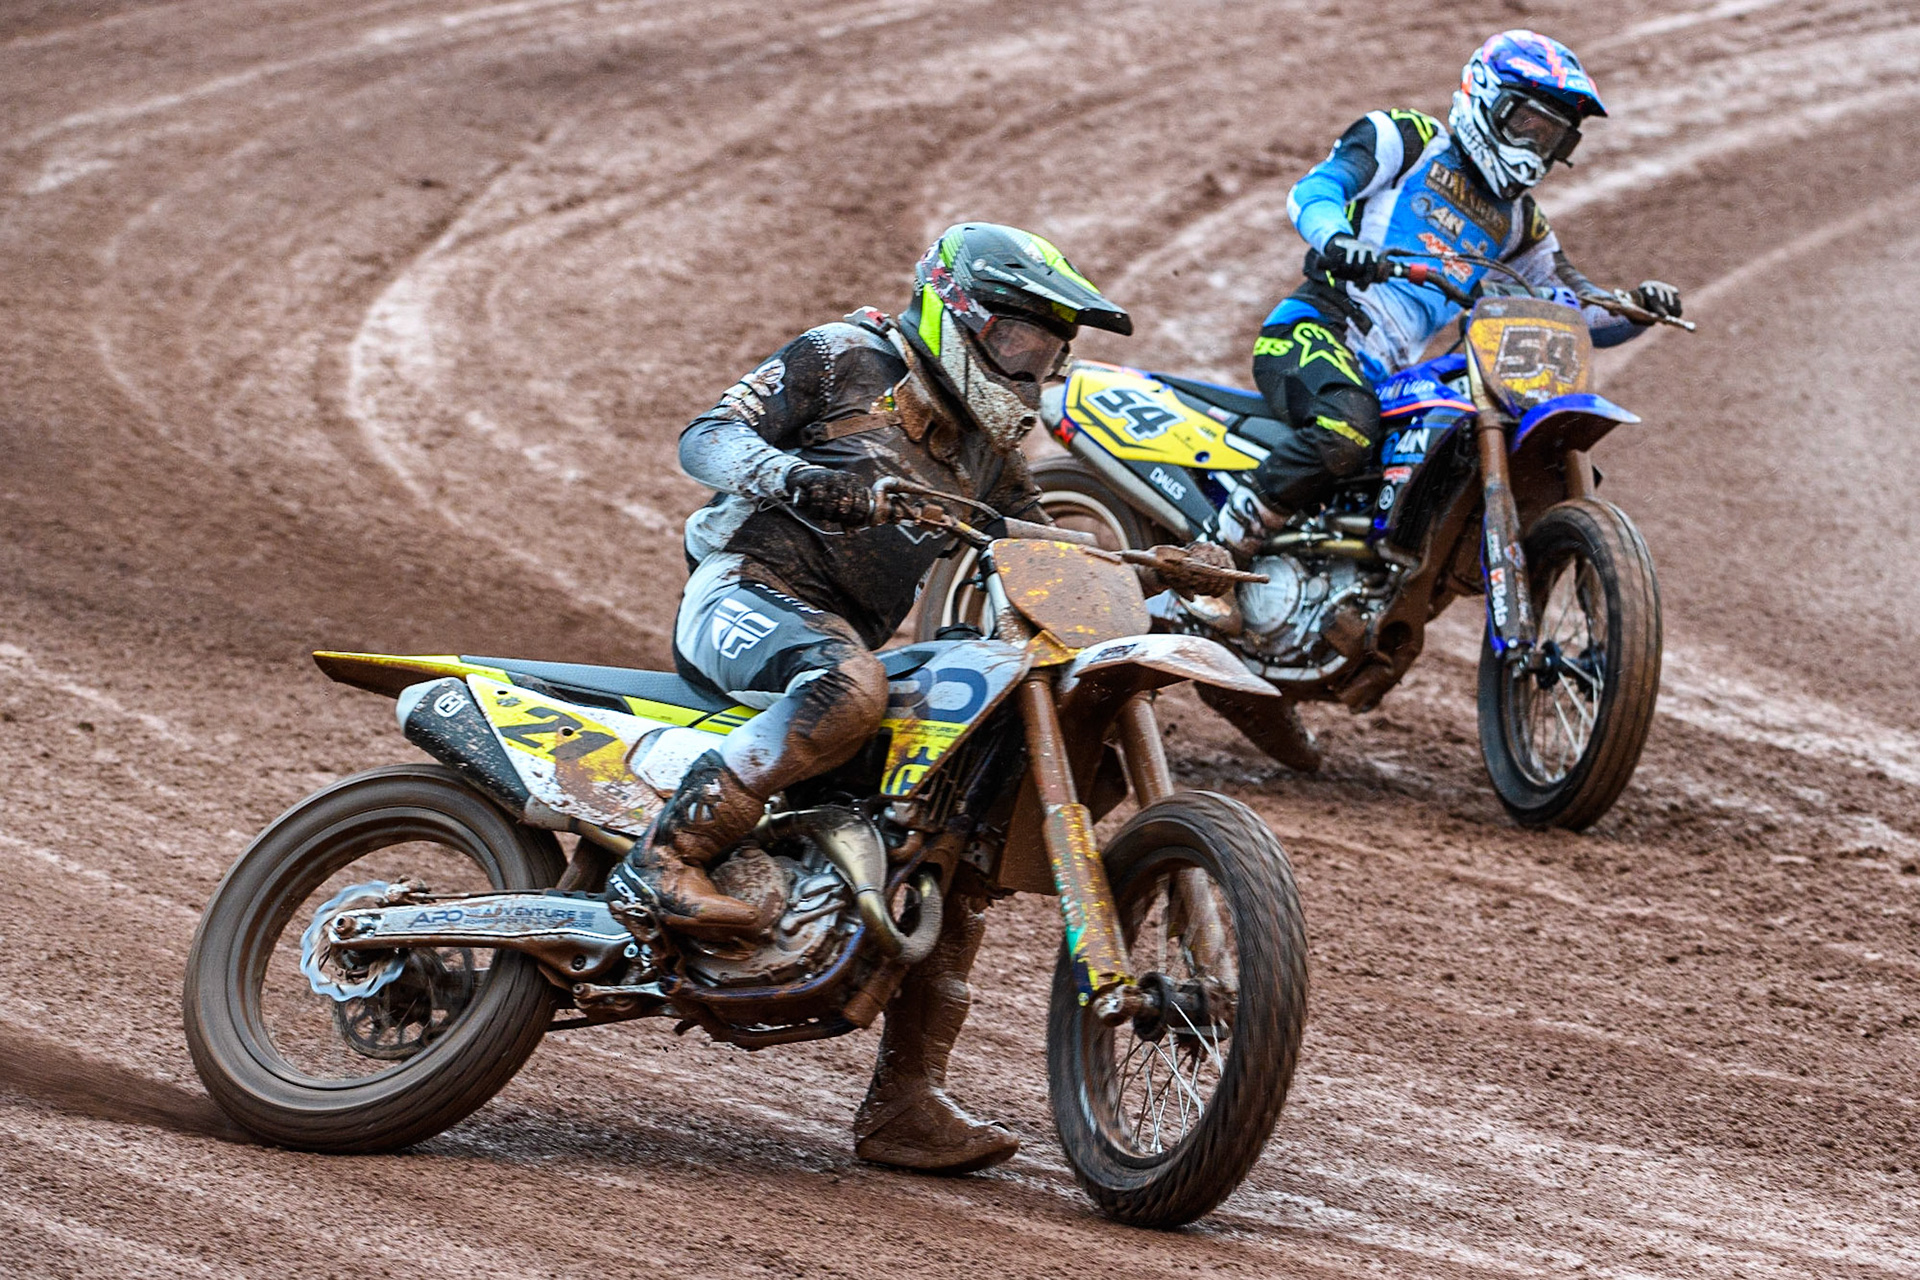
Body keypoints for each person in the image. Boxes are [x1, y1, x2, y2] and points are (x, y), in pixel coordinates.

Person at [606, 223, 1132, 1172]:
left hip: (843, 633)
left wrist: (1163, 572)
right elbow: (706, 437)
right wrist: (796, 477)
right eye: (1018, 339)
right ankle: (665, 858)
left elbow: (1043, 541)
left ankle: (904, 1103)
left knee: (963, 842)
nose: (1030, 363)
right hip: (745, 587)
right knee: (849, 689)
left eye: (1049, 349)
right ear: (960, 312)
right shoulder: (845, 357)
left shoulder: (983, 447)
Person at [1221, 29, 1684, 558]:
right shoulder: (1407, 138)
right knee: (1346, 430)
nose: (1536, 150)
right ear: (1485, 98)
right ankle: (1222, 545)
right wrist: (1341, 241)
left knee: (1436, 462)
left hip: (1393, 377)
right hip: (1315, 329)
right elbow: (1318, 190)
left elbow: (1574, 304)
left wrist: (1638, 307)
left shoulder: (1520, 225)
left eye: (1552, 138)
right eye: (1527, 125)